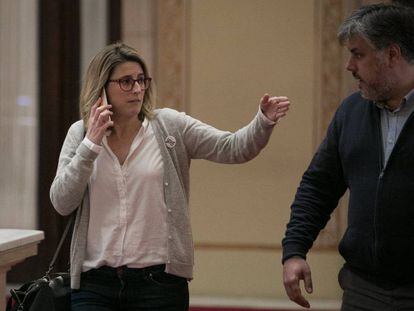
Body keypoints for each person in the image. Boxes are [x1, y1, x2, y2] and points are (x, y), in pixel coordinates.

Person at [50, 42, 290, 311]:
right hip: (95, 284)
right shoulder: (80, 133)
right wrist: (91, 144)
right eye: (126, 82)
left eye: (141, 80)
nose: (138, 89)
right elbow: (62, 201)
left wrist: (263, 121)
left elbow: (232, 148)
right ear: (102, 87)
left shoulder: (169, 126)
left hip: (158, 284)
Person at [282, 3, 414, 310]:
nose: (349, 66)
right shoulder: (351, 111)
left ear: (391, 54)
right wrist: (294, 251)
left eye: (358, 54)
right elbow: (318, 186)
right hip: (363, 289)